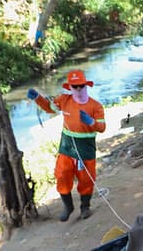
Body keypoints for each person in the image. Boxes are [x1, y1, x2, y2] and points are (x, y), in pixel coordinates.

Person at [27, 70, 105, 221]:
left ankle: (85, 207)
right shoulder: (64, 100)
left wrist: (91, 122)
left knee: (86, 179)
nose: (78, 89)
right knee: (62, 175)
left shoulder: (95, 106)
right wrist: (37, 98)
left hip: (86, 149)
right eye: (75, 86)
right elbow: (49, 108)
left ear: (86, 86)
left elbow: (102, 127)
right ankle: (68, 206)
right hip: (67, 147)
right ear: (70, 87)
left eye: (81, 86)